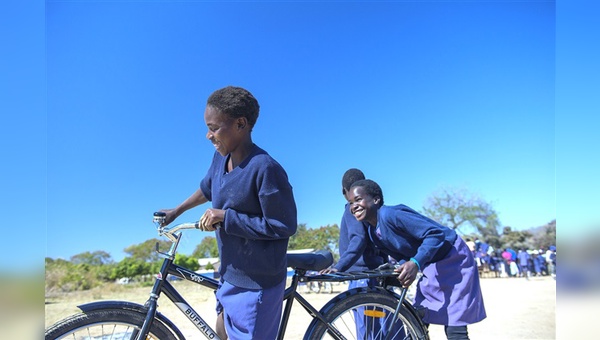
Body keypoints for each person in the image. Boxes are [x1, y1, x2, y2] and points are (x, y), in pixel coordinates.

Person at [159, 86, 297, 340]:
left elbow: (282, 226)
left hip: (257, 283)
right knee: (222, 334)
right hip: (230, 275)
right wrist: (177, 211)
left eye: (214, 128)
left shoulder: (265, 168)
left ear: (240, 124)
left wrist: (225, 217)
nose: (208, 135)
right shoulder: (219, 160)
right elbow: (208, 188)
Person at [346, 179, 486, 340]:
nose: (353, 206)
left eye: (358, 199)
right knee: (418, 319)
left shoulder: (391, 214)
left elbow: (435, 234)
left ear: (376, 199)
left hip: (453, 258)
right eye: (350, 203)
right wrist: (399, 267)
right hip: (430, 264)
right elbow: (402, 256)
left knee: (455, 326)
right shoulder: (373, 233)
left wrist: (416, 262)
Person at [319, 168, 386, 337]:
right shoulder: (372, 208)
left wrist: (339, 266)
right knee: (383, 326)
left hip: (362, 278)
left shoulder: (351, 209)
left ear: (343, 191)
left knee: (368, 330)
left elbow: (358, 239)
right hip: (377, 277)